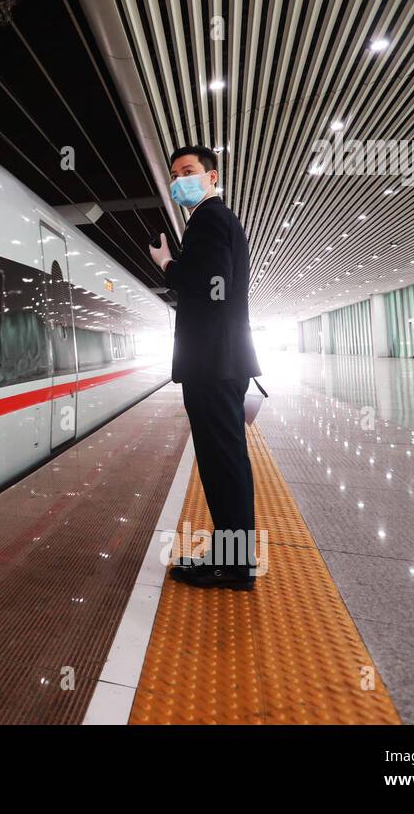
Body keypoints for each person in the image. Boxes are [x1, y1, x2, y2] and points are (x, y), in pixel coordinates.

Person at [149, 145, 262, 590]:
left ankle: (234, 569)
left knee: (223, 465)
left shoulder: (210, 219)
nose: (180, 180)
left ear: (212, 177)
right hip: (222, 361)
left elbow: (211, 287)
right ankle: (231, 559)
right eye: (175, 174)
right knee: (225, 463)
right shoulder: (217, 220)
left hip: (212, 364)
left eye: (190, 171)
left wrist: (168, 266)